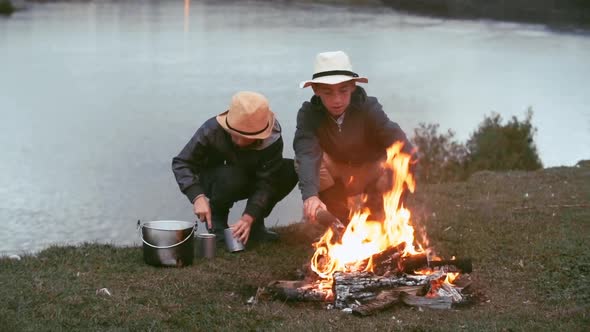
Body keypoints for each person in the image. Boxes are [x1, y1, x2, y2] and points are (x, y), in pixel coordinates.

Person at [294, 50, 416, 225]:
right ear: (316, 90)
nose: (337, 100)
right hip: (336, 176)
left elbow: (403, 146)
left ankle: (378, 212)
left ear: (353, 86)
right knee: (302, 161)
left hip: (371, 173)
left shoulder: (370, 108)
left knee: (400, 157)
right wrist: (310, 196)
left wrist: (401, 185)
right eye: (328, 92)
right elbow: (305, 153)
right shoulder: (308, 114)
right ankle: (340, 218)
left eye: (343, 90)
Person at [172, 91, 298, 247]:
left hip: (252, 177)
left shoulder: (272, 139)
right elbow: (181, 162)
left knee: (288, 170)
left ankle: (254, 226)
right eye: (233, 133)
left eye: (242, 136)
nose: (236, 140)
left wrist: (249, 216)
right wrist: (197, 196)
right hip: (217, 178)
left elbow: (268, 181)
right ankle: (217, 224)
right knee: (232, 175)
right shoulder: (211, 129)